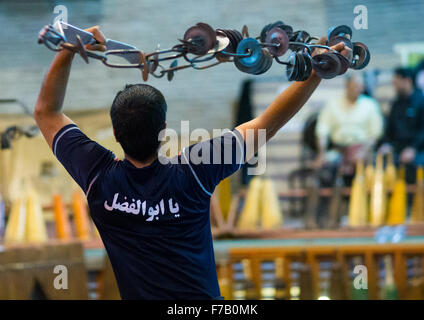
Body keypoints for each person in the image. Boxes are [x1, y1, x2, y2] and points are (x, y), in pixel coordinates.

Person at [34, 25, 347, 299]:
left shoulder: (98, 177)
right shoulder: (194, 171)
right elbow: (267, 123)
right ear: (164, 133)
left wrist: (70, 46)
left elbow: (46, 112)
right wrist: (317, 71)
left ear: (115, 134)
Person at [314, 73, 383, 180]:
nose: (359, 89)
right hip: (338, 151)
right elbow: (322, 131)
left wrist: (363, 151)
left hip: (362, 151)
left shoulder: (370, 105)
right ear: (347, 85)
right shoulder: (333, 104)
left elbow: (374, 134)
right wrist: (322, 153)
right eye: (356, 86)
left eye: (361, 86)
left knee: (370, 167)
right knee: (325, 168)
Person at [379, 67, 424, 183]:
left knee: (416, 162)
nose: (394, 84)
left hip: (418, 148)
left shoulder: (421, 101)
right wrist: (386, 144)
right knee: (381, 160)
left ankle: (414, 199)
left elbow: (422, 131)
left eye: (396, 81)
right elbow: (389, 130)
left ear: (407, 81)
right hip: (398, 148)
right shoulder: (396, 104)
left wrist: (412, 148)